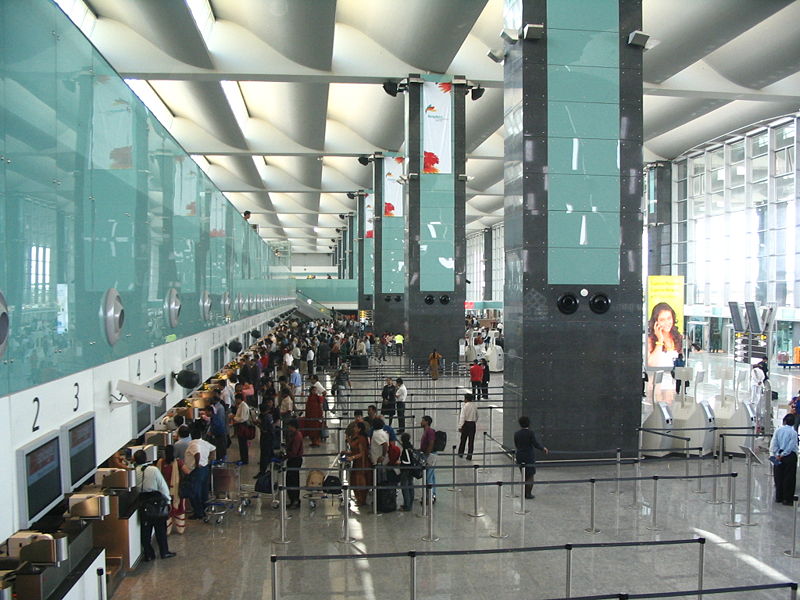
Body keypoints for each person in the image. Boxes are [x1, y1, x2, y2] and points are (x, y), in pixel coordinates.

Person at [134, 449, 176, 561]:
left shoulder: (134, 471)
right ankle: (164, 552)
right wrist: (168, 501)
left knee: (145, 531)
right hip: (157, 502)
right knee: (160, 530)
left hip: (143, 502)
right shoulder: (153, 470)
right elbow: (162, 486)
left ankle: (149, 554)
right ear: (146, 458)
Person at [185, 426, 216, 519]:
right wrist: (211, 459)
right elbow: (213, 449)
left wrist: (197, 463)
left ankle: (198, 513)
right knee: (203, 491)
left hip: (197, 470)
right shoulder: (204, 443)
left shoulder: (193, 444)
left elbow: (197, 453)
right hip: (205, 468)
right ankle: (205, 509)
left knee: (194, 492)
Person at [157, 445, 189, 535]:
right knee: (179, 509)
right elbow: (187, 472)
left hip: (164, 491)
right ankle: (180, 529)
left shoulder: (160, 462)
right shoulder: (178, 462)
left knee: (166, 510)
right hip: (176, 491)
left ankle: (167, 530)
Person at [514, 416, 548, 499]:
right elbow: (535, 443)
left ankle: (524, 492)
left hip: (520, 455)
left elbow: (516, 444)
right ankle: (528, 493)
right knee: (530, 475)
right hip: (528, 456)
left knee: (524, 474)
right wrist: (543, 448)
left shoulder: (517, 434)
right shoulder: (530, 433)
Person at [770, 414, 798, 505]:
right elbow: (791, 446)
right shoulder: (793, 432)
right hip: (789, 456)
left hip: (777, 456)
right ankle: (787, 499)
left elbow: (774, 443)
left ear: (784, 421)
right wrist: (783, 454)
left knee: (778, 476)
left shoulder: (778, 430)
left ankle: (778, 497)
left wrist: (777, 454)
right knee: (789, 477)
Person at [647, 302, 682, 368]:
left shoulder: (678, 337)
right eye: (662, 320)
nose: (667, 323)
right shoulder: (649, 340)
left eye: (669, 318)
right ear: (656, 322)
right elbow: (651, 365)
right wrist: (660, 340)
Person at [344, 421, 371, 506]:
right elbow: (353, 449)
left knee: (360, 481)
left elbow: (362, 453)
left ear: (359, 429)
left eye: (355, 427)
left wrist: (352, 457)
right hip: (356, 463)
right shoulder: (355, 437)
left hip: (362, 462)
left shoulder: (362, 439)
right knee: (355, 480)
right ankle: (358, 498)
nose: (354, 428)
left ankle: (362, 499)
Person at [285, 419, 304, 508]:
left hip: (295, 460)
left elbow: (294, 451)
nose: (288, 428)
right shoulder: (295, 435)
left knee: (292, 480)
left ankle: (295, 500)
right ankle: (293, 500)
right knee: (292, 480)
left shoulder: (297, 436)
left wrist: (286, 455)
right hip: (294, 459)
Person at [231, 393, 253, 464]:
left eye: (236, 399)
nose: (235, 400)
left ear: (239, 399)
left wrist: (233, 417)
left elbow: (242, 418)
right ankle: (242, 458)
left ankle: (244, 460)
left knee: (243, 444)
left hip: (242, 426)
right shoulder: (241, 405)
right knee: (241, 444)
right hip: (240, 425)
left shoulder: (243, 406)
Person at [419, 415, 437, 500]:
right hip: (427, 453)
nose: (421, 422)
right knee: (431, 474)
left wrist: (427, 454)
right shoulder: (425, 431)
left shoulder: (430, 431)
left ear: (426, 422)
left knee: (428, 475)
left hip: (430, 455)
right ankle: (432, 493)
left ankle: (430, 495)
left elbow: (431, 443)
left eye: (422, 420)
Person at [458, 394, 478, 460]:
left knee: (463, 439)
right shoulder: (474, 406)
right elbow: (477, 415)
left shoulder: (465, 406)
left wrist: (460, 426)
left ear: (466, 399)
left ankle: (461, 453)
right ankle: (469, 455)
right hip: (472, 424)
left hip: (466, 424)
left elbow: (462, 417)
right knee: (471, 440)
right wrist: (474, 421)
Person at [398, 433, 416, 511]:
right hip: (411, 469)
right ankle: (410, 503)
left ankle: (407, 505)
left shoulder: (406, 449)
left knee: (405, 487)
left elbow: (407, 460)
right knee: (410, 485)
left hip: (406, 469)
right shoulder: (410, 447)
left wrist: (400, 462)